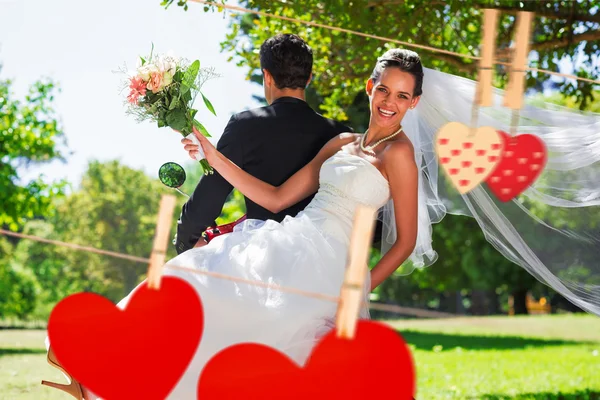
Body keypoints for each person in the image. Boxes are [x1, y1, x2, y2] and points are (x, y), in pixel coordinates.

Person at [174, 33, 352, 253]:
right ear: (309, 78)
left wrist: (186, 239)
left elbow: (212, 190)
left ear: (267, 76)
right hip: (326, 260)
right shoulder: (342, 135)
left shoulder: (245, 125)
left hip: (261, 258)